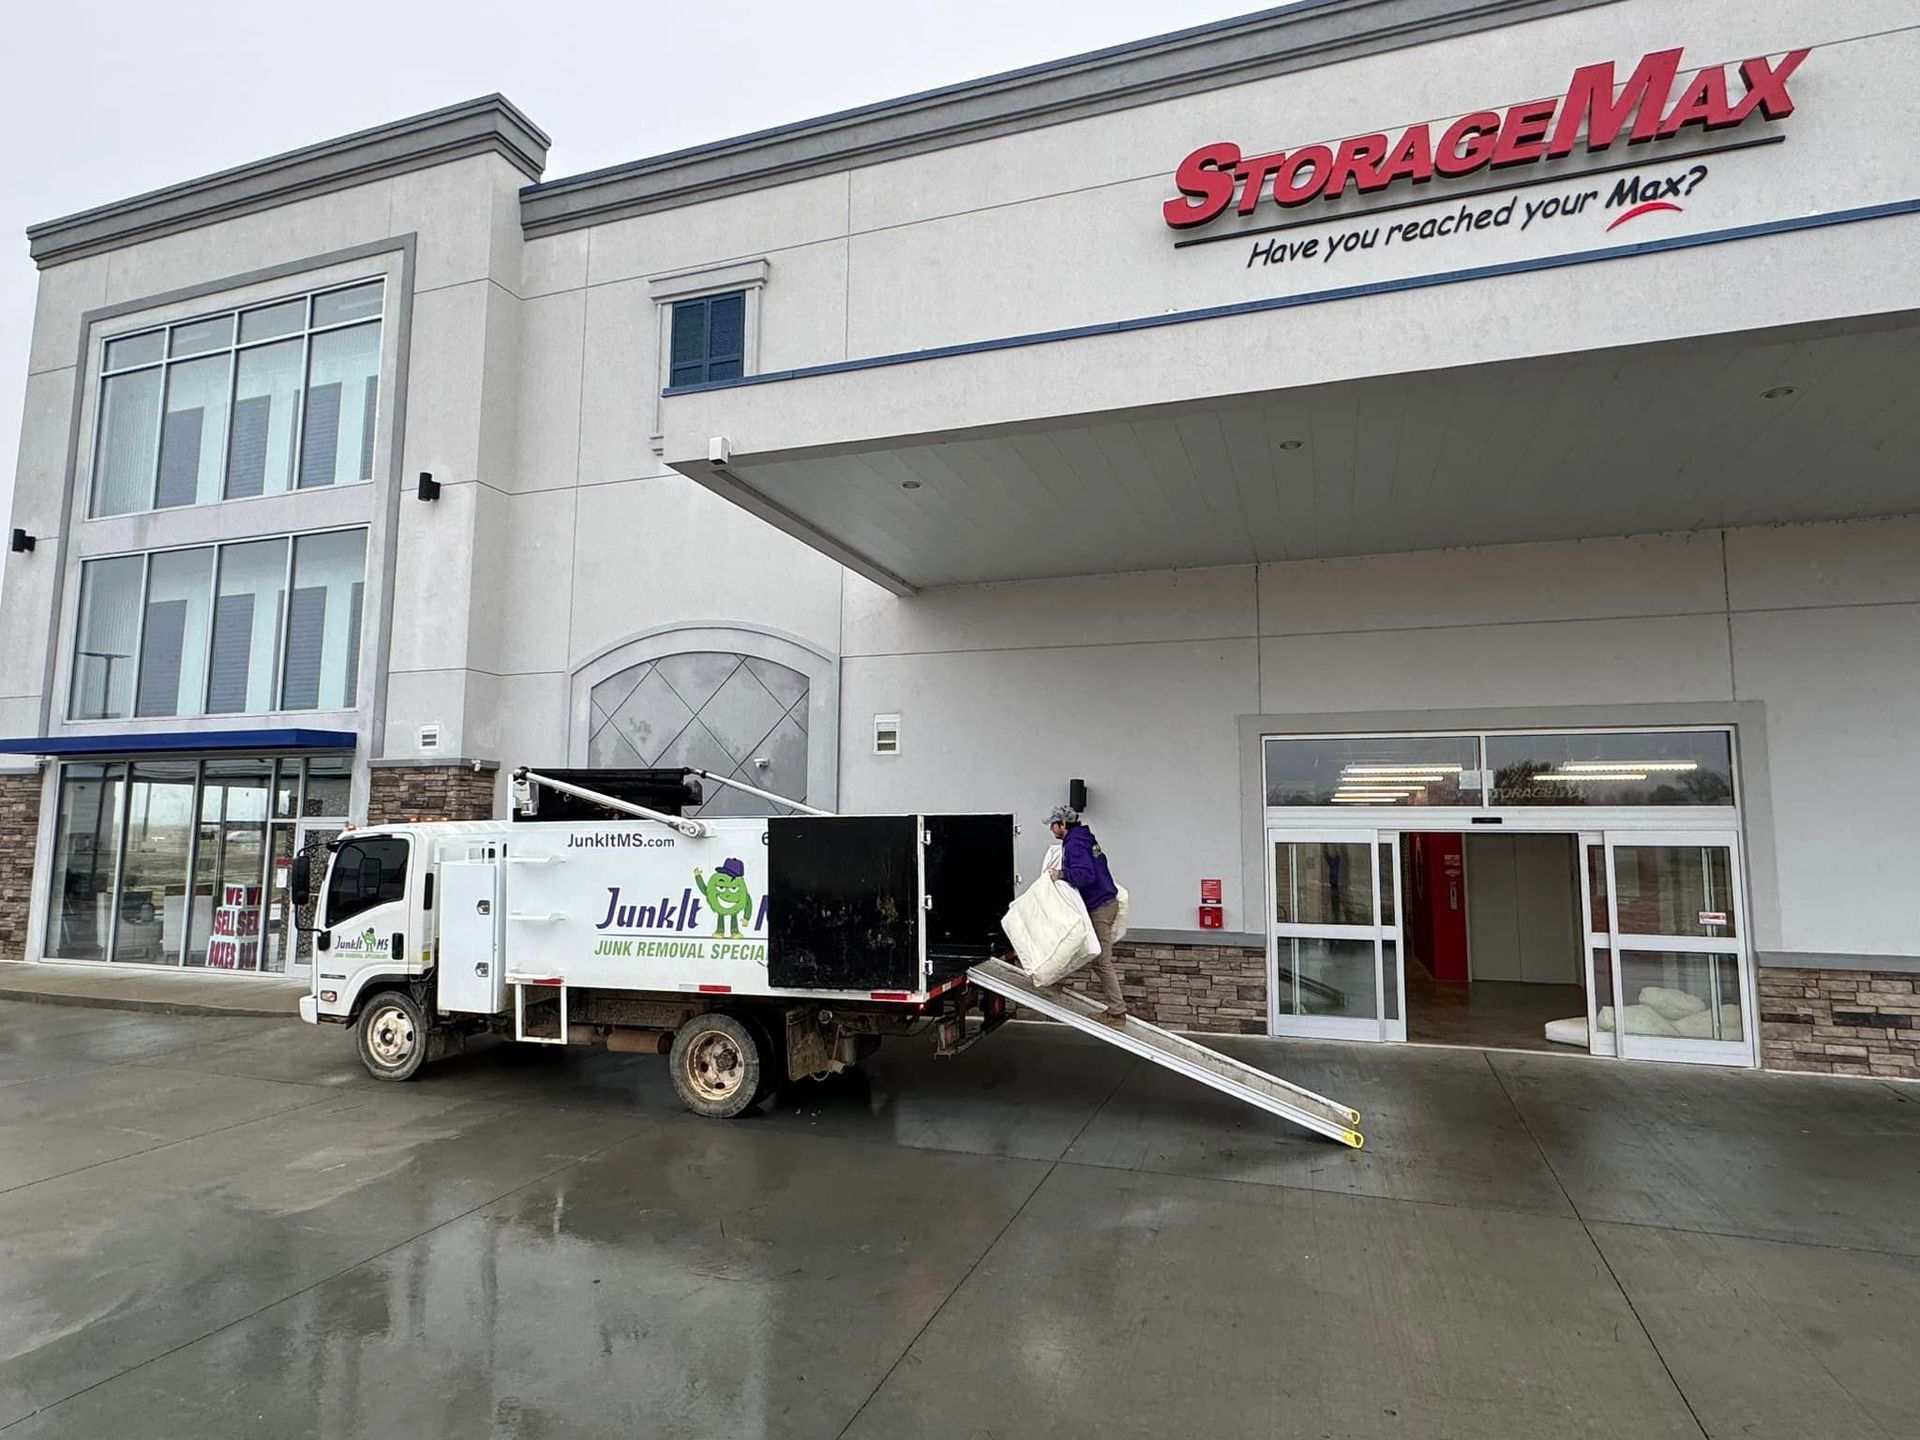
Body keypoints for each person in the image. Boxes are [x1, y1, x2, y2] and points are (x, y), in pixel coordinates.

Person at [1044, 805, 1127, 1026]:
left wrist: (1060, 874)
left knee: (1101, 962)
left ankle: (1117, 1013)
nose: (1051, 830)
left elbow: (1085, 876)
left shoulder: (1075, 844)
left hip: (1100, 907)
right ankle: (1056, 981)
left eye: (1053, 825)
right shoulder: (1083, 838)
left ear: (1063, 824)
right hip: (1101, 903)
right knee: (1074, 941)